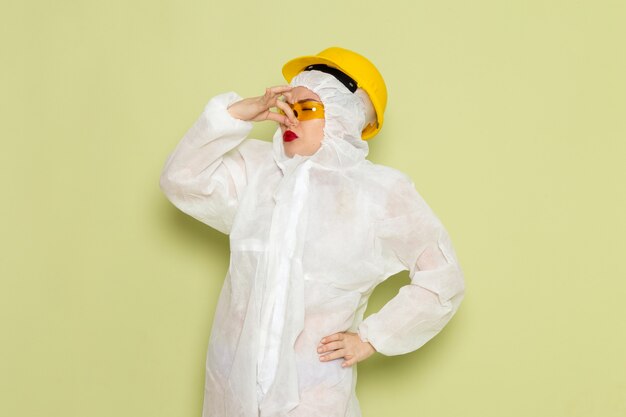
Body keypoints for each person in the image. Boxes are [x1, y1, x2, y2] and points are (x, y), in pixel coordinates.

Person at [159, 46, 466, 417]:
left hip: (313, 399)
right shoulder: (258, 171)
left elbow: (442, 276)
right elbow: (180, 179)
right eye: (289, 107)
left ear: (341, 117)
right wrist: (235, 115)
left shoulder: (380, 193)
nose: (290, 120)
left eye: (306, 109)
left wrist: (372, 338)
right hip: (233, 391)